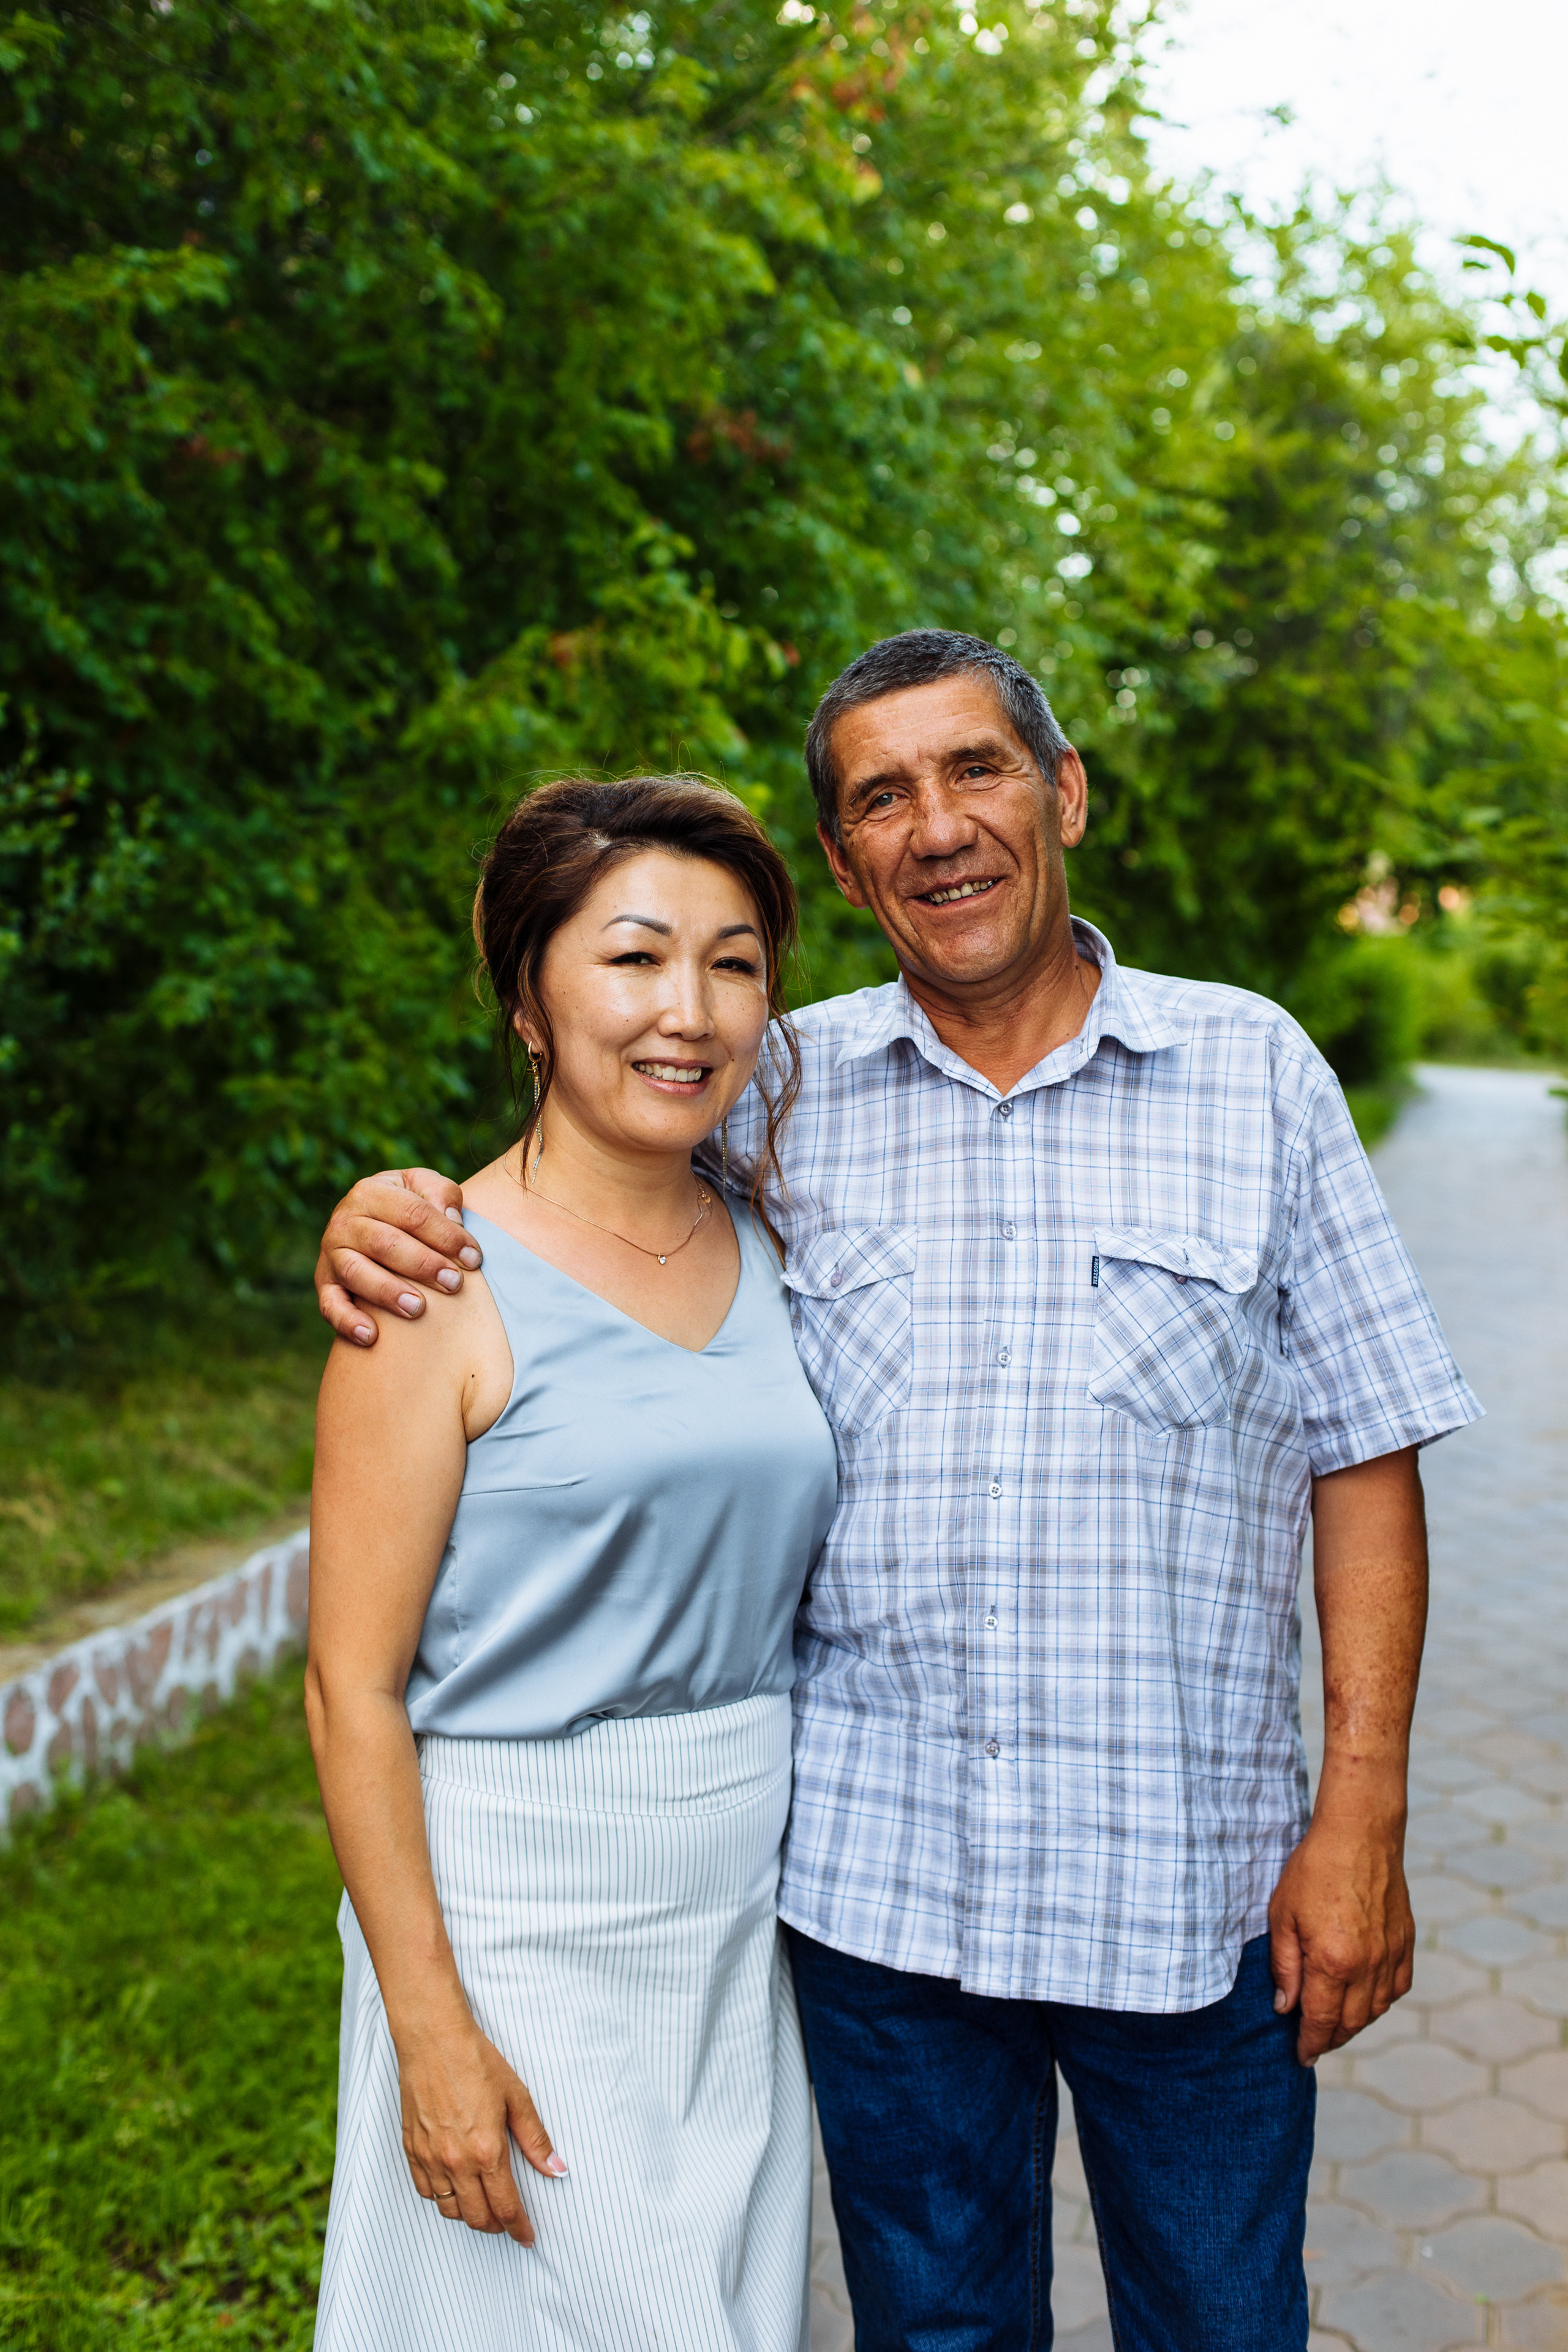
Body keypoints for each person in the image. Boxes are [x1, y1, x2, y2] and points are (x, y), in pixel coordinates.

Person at [313, 633, 1480, 2352]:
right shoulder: (774, 1096)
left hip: (1192, 1891)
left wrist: (1362, 1815)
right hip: (878, 1904)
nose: (937, 826)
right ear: (850, 866)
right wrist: (383, 1214)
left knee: (1227, 2326)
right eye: (881, 799)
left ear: (1063, 791)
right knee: (931, 2337)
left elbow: (1365, 1449)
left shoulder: (1256, 1075)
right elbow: (575, 1188)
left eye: (976, 770)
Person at [305, 775, 838, 2352]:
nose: (688, 1011)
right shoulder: (432, 1283)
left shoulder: (780, 1240)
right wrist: (429, 2028)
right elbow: (350, 1689)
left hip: (738, 1907)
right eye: (633, 957)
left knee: (726, 2315)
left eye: (734, 963)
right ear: (530, 997)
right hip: (515, 1907)